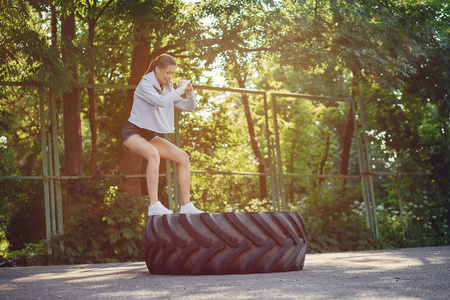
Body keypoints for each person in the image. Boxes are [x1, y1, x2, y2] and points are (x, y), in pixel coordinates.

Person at [120, 54, 204, 216]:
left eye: (173, 73)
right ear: (157, 69)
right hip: (132, 132)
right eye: (168, 73)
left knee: (183, 157)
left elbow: (189, 107)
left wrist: (189, 91)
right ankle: (154, 205)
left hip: (148, 134)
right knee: (153, 154)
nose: (170, 77)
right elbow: (161, 101)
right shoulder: (145, 85)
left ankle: (186, 206)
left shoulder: (167, 87)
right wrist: (179, 89)